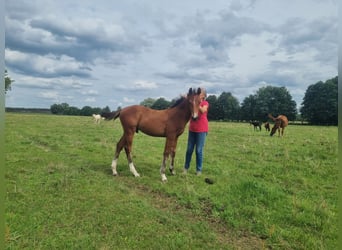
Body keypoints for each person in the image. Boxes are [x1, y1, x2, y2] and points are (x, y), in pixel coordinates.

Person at [183, 88, 209, 175]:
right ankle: (186, 168)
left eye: (200, 94)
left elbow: (203, 110)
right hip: (192, 129)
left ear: (204, 96)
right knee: (189, 150)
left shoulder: (205, 103)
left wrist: (197, 103)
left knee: (198, 150)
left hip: (201, 129)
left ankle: (199, 170)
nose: (198, 95)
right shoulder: (194, 102)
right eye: (198, 94)